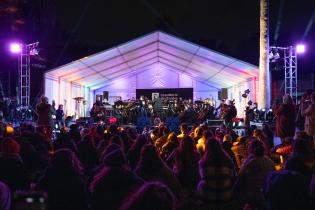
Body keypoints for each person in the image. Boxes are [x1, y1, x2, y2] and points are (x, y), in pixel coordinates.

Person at [235, 139, 275, 210]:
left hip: (253, 199)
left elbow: (239, 181)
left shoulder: (249, 163)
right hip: (268, 197)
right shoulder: (270, 162)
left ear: (251, 149)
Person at [197, 138, 236, 207]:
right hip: (226, 197)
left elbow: (201, 179)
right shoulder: (228, 160)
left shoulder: (203, 163)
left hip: (209, 198)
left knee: (200, 184)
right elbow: (234, 178)